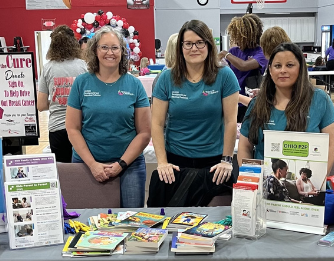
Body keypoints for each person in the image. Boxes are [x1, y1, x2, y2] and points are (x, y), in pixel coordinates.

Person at [148, 20, 239, 206]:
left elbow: (231, 121)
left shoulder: (225, 76)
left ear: (209, 45)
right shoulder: (167, 78)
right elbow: (156, 123)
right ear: (180, 47)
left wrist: (227, 160)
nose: (194, 48)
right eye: (188, 43)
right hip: (176, 162)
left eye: (200, 42)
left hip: (215, 164)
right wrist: (162, 162)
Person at [65, 26, 151, 208]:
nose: (109, 52)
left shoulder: (134, 85)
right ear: (95, 50)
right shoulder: (81, 83)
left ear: (122, 51)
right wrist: (93, 165)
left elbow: (144, 133)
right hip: (86, 164)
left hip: (129, 166)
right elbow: (72, 128)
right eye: (104, 47)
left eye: (115, 47)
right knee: (86, 224)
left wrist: (121, 164)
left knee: (130, 225)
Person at [238, 43, 334, 175]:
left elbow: (332, 144)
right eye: (277, 66)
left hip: (309, 189)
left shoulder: (320, 99)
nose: (282, 70)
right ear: (270, 69)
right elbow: (245, 147)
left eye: (289, 65)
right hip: (264, 187)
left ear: (300, 68)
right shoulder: (257, 103)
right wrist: (251, 179)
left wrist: (319, 180)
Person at [37, 25, 88, 163]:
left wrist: (57, 101)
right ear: (73, 44)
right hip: (81, 127)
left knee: (63, 173)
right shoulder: (83, 66)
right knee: (84, 172)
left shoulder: (48, 68)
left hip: (57, 128)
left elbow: (41, 105)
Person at [218, 14, 268, 122]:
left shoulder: (261, 53)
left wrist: (225, 54)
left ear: (248, 36)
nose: (236, 40)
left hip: (251, 103)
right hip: (232, 101)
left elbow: (244, 66)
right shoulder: (234, 51)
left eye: (239, 37)